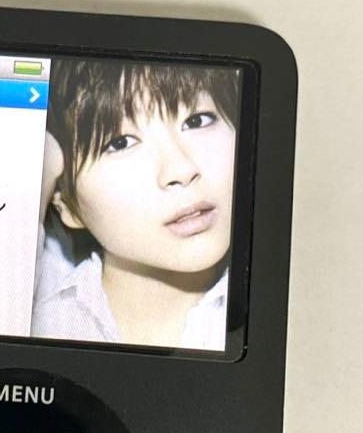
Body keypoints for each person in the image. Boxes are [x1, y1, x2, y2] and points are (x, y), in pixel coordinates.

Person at [32, 58, 239, 351]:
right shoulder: (44, 320)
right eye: (120, 143)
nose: (181, 170)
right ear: (64, 202)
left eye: (197, 120)